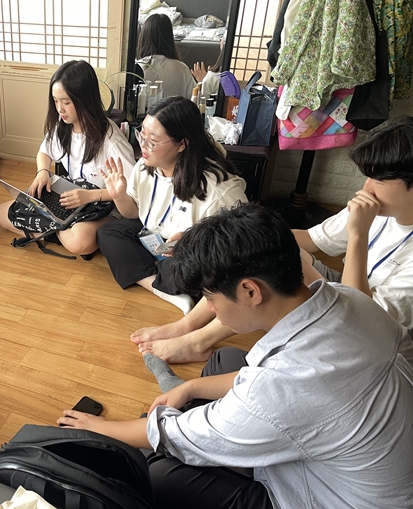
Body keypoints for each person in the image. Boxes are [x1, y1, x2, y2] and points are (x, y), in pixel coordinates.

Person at [59, 203, 413, 509]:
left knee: (161, 475)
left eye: (211, 298)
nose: (211, 310)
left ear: (250, 291)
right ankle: (227, 432)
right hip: (349, 459)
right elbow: (282, 387)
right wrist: (191, 387)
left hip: (336, 504)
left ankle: (222, 440)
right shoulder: (352, 300)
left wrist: (99, 429)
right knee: (225, 359)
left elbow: (174, 434)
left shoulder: (282, 387)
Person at [135, 116, 413, 365]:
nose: (366, 188)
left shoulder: (371, 218)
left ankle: (198, 341)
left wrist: (358, 234)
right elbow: (309, 240)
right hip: (349, 291)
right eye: (367, 177)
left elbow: (359, 321)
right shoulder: (379, 209)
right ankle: (188, 326)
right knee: (265, 253)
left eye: (378, 180)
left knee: (269, 278)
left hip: (372, 340)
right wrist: (220, 237)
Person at [97, 96, 246, 312]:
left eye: (152, 141)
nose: (142, 145)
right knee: (109, 232)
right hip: (157, 238)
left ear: (182, 144)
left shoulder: (217, 189)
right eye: (141, 135)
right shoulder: (145, 166)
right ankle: (163, 290)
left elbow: (236, 244)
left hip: (187, 251)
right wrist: (119, 195)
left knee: (196, 268)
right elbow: (133, 214)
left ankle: (155, 276)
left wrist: (189, 240)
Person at [0, 60, 135, 257]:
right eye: (55, 101)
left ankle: (50, 229)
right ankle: (59, 229)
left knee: (79, 241)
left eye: (66, 102)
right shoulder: (62, 126)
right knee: (1, 214)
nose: (60, 109)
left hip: (103, 204)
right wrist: (43, 172)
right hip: (72, 197)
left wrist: (91, 196)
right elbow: (44, 152)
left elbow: (132, 190)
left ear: (85, 100)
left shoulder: (111, 141)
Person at [135, 14, 197, 99]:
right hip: (176, 108)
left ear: (143, 37)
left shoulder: (139, 67)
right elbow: (193, 99)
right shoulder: (182, 69)